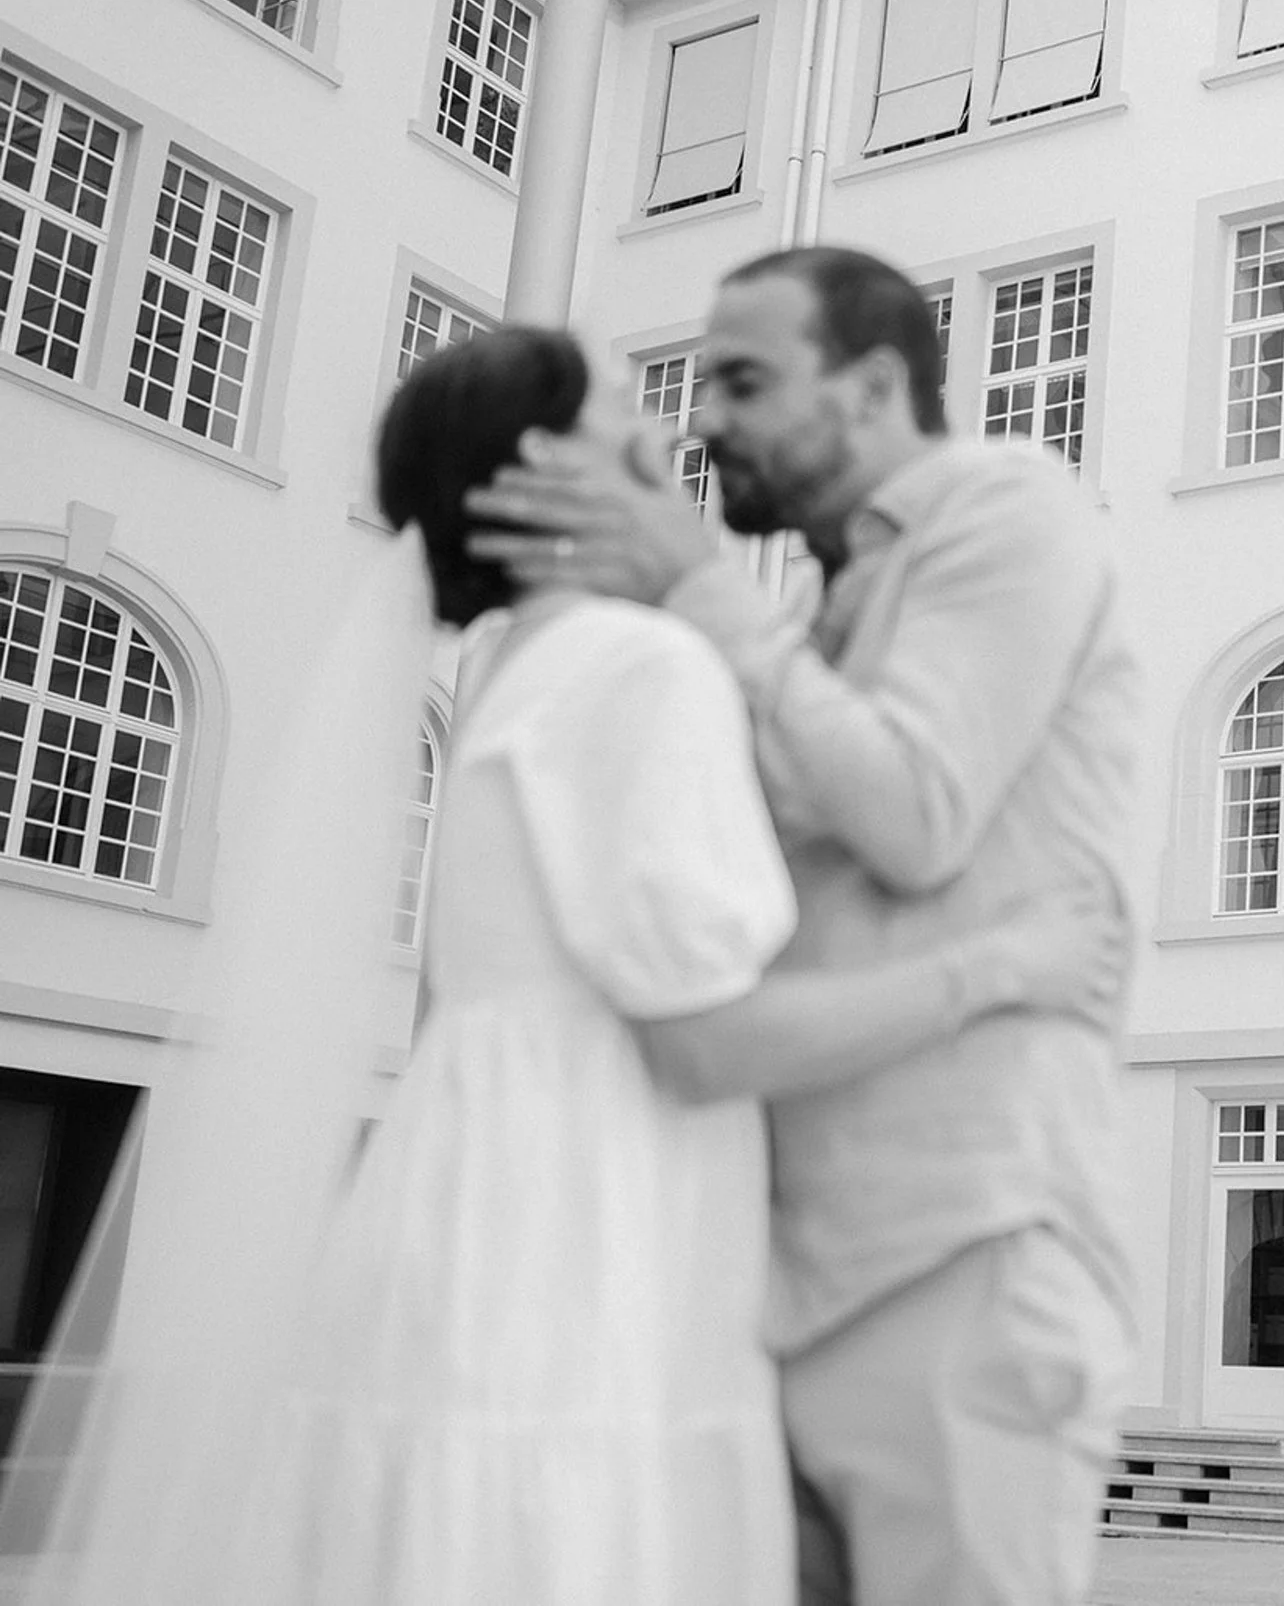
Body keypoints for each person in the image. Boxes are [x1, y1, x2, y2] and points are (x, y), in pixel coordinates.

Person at [8, 327, 1120, 1606]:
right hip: (586, 1232)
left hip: (472, 1198)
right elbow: (706, 1041)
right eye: (627, 413)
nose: (670, 433)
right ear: (547, 461)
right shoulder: (638, 667)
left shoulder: (518, 667)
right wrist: (1003, 965)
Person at [467, 246, 1141, 1606]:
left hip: (957, 1251)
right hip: (777, 1271)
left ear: (876, 383)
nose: (706, 418)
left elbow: (917, 812)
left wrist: (699, 586)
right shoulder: (811, 611)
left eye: (746, 380)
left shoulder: (1012, 511)